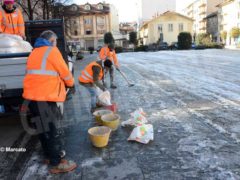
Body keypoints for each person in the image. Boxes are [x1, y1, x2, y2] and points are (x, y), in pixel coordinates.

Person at [22, 30, 77, 174]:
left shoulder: (34, 52)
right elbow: (65, 72)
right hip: (45, 97)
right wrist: (71, 83)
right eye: (56, 42)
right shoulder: (52, 52)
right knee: (51, 131)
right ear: (51, 41)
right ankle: (56, 163)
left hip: (31, 98)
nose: (56, 44)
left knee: (42, 129)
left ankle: (48, 156)